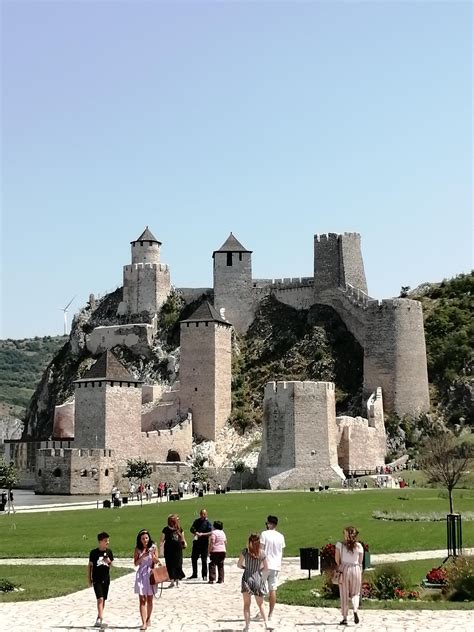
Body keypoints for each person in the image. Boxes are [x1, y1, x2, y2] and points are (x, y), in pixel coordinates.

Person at [237, 533, 270, 632]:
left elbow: (239, 565)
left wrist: (245, 567)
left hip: (247, 578)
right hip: (257, 578)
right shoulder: (262, 553)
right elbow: (266, 568)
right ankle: (266, 623)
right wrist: (259, 569)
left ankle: (247, 626)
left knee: (246, 604)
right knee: (261, 604)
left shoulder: (245, 552)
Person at [335, 526, 364, 626]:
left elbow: (337, 559)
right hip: (356, 569)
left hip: (344, 568)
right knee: (356, 593)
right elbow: (360, 561)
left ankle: (345, 618)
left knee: (344, 594)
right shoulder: (359, 546)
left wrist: (339, 567)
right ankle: (355, 609)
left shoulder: (340, 545)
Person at [260, 515, 285, 622]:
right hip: (276, 564)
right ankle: (270, 613)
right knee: (272, 589)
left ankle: (262, 611)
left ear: (269, 524)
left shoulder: (264, 534)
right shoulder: (281, 536)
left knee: (261, 589)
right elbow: (281, 551)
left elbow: (261, 550)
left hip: (266, 564)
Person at [134, 528, 159, 630]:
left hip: (150, 574)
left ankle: (148, 619)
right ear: (140, 540)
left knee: (149, 599)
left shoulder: (153, 547)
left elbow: (157, 561)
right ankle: (143, 622)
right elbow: (135, 563)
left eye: (146, 538)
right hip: (141, 574)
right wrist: (142, 556)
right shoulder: (137, 549)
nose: (145, 540)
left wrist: (152, 556)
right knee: (142, 599)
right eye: (143, 538)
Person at [88, 531, 114, 628]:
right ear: (100, 541)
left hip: (106, 579)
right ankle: (101, 618)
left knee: (103, 599)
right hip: (96, 579)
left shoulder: (109, 552)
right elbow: (90, 566)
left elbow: (111, 565)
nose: (107, 542)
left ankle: (99, 617)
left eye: (108, 540)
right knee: (100, 598)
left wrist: (109, 561)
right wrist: (89, 579)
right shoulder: (94, 553)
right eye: (105, 540)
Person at [160, 514, 186, 587]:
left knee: (176, 565)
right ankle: (173, 581)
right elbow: (162, 540)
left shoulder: (179, 529)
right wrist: (161, 551)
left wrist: (184, 544)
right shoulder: (166, 529)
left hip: (177, 550)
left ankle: (176, 580)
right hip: (169, 550)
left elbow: (183, 539)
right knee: (171, 565)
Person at [189, 508, 212, 580]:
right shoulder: (196, 521)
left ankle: (204, 575)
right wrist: (196, 533)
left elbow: (211, 532)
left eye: (204, 514)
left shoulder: (208, 523)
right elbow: (191, 529)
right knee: (194, 558)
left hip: (204, 543)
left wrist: (202, 534)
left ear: (206, 514)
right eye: (202, 514)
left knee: (204, 559)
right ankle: (194, 574)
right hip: (196, 542)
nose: (203, 515)